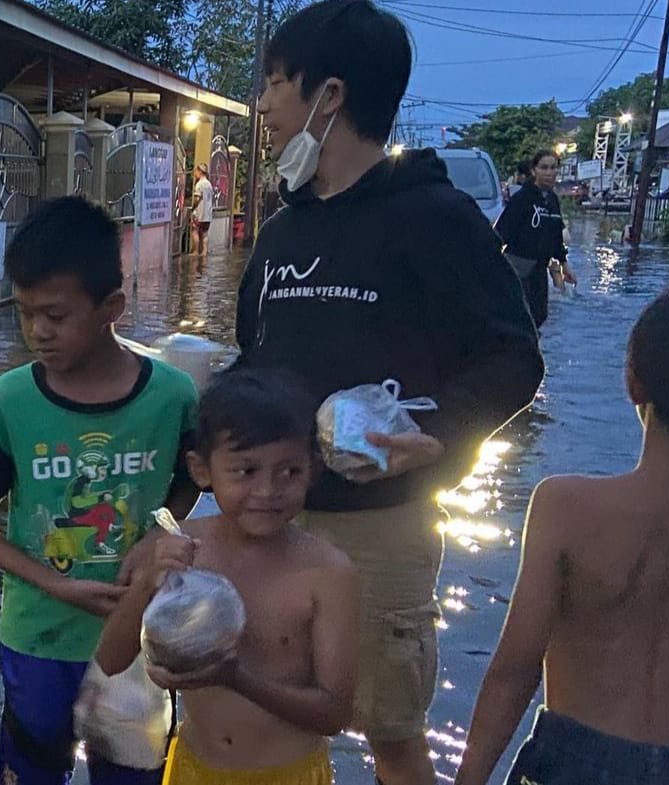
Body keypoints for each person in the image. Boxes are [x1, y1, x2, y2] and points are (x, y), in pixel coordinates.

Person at [234, 2, 545, 782]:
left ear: (328, 95)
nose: (262, 106)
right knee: (264, 713)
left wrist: (439, 437)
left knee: (390, 732)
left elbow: (513, 358)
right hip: (268, 521)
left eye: (275, 84)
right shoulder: (283, 232)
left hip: (382, 528)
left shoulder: (435, 218)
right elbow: (251, 361)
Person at [454, 277, 669, 785]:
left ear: (633, 382)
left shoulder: (566, 506)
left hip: (574, 758)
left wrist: (470, 778)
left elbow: (515, 669)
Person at [0, 196, 200, 785]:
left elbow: (191, 484)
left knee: (133, 775)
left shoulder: (173, 397)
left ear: (112, 306)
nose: (38, 331)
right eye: (25, 312)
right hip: (40, 635)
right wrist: (57, 584)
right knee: (32, 768)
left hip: (141, 638)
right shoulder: (10, 401)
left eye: (56, 316)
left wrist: (155, 534)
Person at [96, 368, 359, 785]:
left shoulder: (327, 573)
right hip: (192, 769)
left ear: (313, 470)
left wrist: (232, 677)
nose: (268, 490)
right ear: (201, 470)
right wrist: (148, 581)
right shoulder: (182, 550)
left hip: (288, 775)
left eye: (289, 471)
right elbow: (111, 660)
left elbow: (334, 714)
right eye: (245, 471)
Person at [495, 150, 578, 328]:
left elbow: (556, 236)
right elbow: (502, 231)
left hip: (540, 267)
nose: (549, 173)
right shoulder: (522, 199)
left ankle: (531, 348)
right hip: (518, 265)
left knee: (540, 315)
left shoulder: (552, 200)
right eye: (544, 168)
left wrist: (564, 265)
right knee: (520, 315)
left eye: (553, 168)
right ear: (534, 171)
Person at [192, 162, 215, 257]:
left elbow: (197, 199)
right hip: (208, 214)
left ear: (200, 172)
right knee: (205, 233)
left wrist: (193, 207)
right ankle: (204, 251)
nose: (195, 174)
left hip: (199, 213)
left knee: (195, 231)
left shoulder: (199, 184)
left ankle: (196, 251)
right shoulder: (209, 184)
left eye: (196, 172)